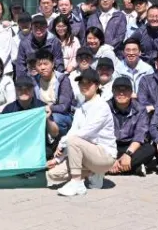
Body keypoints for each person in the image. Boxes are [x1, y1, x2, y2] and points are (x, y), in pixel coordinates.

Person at [46, 69, 116, 197]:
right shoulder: (81, 106)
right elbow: (73, 131)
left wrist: (62, 142)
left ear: (97, 85)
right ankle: (92, 173)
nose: (84, 86)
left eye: (88, 83)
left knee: (73, 140)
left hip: (104, 156)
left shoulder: (102, 106)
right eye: (81, 83)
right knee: (53, 174)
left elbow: (86, 132)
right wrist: (58, 159)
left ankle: (76, 182)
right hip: (85, 154)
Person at [107, 76, 151, 176]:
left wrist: (128, 154)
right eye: (118, 90)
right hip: (110, 146)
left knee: (149, 149)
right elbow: (100, 136)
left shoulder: (140, 109)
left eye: (125, 90)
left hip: (130, 146)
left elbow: (140, 135)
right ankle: (132, 168)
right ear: (113, 92)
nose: (121, 93)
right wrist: (110, 158)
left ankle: (111, 168)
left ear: (131, 92)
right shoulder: (104, 108)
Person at [14, 15, 63, 79]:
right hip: (31, 78)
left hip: (50, 77)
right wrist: (22, 81)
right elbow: (20, 65)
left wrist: (59, 78)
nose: (39, 29)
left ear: (46, 27)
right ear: (31, 27)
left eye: (42, 26)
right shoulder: (24, 43)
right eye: (36, 26)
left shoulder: (54, 41)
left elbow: (59, 62)